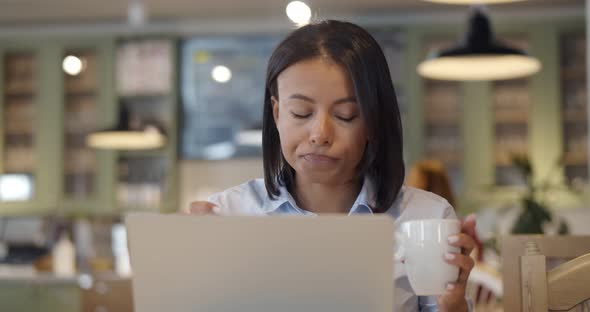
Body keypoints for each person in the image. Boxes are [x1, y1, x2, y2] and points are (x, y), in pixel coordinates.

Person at [187, 20, 477, 312]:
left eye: (345, 115)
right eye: (300, 113)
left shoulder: (425, 219)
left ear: (373, 122)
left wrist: (452, 306)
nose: (320, 134)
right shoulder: (228, 216)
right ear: (276, 114)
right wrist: (186, 276)